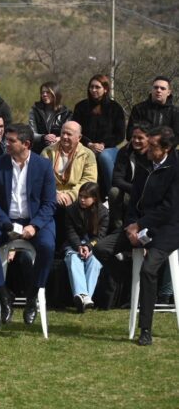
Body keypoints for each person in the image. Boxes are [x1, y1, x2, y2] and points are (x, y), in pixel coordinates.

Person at [94, 126, 179, 346]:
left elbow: (169, 209)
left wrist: (141, 226)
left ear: (166, 148)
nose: (146, 149)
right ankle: (125, 278)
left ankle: (146, 330)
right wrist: (132, 225)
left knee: (149, 270)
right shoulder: (143, 164)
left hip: (167, 229)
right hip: (138, 225)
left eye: (152, 146)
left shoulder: (176, 169)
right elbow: (133, 200)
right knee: (101, 248)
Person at [0, 124, 56, 327]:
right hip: (5, 220)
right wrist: (6, 224)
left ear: (26, 144)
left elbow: (49, 204)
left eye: (12, 140)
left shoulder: (43, 166)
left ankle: (32, 296)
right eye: (7, 139)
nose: (7, 143)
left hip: (35, 221)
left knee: (47, 246)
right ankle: (4, 295)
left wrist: (35, 226)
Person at [72, 74, 125, 198]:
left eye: (97, 87)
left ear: (105, 89)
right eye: (91, 87)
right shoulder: (81, 107)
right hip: (85, 146)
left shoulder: (115, 108)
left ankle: (114, 195)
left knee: (104, 156)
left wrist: (103, 144)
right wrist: (89, 144)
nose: (93, 90)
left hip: (108, 148)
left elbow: (120, 134)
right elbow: (76, 131)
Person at [62, 182, 108, 312]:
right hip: (73, 245)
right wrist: (79, 246)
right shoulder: (71, 210)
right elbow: (70, 232)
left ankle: (81, 298)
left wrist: (88, 246)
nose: (82, 199)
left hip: (94, 246)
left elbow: (101, 235)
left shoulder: (103, 212)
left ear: (94, 198)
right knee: (74, 259)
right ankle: (85, 297)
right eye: (80, 196)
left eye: (86, 197)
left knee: (95, 261)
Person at [40, 121, 98, 208]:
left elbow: (89, 179)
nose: (64, 137)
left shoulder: (88, 154)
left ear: (79, 137)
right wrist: (54, 194)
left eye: (69, 134)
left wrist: (71, 196)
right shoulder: (48, 152)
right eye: (63, 133)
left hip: (78, 197)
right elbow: (41, 177)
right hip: (52, 195)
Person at [109, 122, 152, 232]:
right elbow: (116, 179)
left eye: (140, 138)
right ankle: (118, 227)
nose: (136, 140)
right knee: (114, 192)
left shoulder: (154, 153)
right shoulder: (125, 151)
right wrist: (134, 189)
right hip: (130, 191)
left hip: (149, 193)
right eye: (134, 137)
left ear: (149, 139)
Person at [28, 81, 72, 154]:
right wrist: (44, 137)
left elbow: (69, 133)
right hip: (39, 149)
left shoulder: (66, 113)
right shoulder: (35, 110)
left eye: (48, 92)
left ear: (55, 94)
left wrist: (57, 139)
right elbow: (31, 133)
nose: (44, 95)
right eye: (42, 92)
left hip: (60, 149)